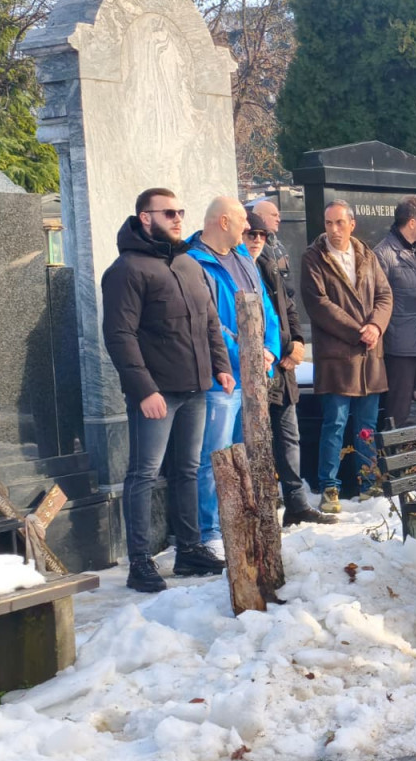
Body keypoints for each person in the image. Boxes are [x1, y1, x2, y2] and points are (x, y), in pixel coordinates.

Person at [102, 188, 233, 592]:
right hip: (157, 393)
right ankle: (139, 560)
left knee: (188, 470)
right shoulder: (127, 269)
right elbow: (119, 334)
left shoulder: (189, 265)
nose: (179, 218)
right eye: (169, 212)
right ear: (145, 217)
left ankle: (189, 549)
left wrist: (221, 367)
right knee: (143, 472)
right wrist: (144, 390)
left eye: (181, 211)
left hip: (195, 386)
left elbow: (209, 321)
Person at [187, 197, 281, 556]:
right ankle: (211, 531)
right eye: (243, 221)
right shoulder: (196, 263)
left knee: (250, 453)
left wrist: (269, 349)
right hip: (221, 381)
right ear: (223, 221)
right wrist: (246, 354)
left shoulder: (243, 259)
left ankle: (247, 521)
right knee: (216, 458)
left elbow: (265, 309)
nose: (248, 228)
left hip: (255, 377)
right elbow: (210, 323)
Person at [302, 200, 393, 516]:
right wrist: (360, 330)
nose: (333, 229)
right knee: (335, 422)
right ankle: (329, 486)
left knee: (367, 422)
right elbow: (319, 304)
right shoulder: (314, 258)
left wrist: (376, 326)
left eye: (339, 223)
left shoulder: (366, 255)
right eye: (328, 223)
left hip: (369, 354)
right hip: (339, 354)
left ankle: (369, 482)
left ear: (352, 224)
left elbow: (384, 295)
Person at [247, 212, 327, 525]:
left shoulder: (268, 264)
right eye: (251, 234)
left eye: (262, 235)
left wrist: (296, 341)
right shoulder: (236, 268)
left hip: (281, 365)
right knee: (259, 443)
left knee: (289, 437)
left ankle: (297, 505)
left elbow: (287, 307)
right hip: (256, 368)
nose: (257, 240)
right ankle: (263, 510)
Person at [374, 195, 416, 428]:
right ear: (412, 222)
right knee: (398, 410)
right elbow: (378, 301)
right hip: (401, 347)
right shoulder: (384, 254)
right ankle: (393, 457)